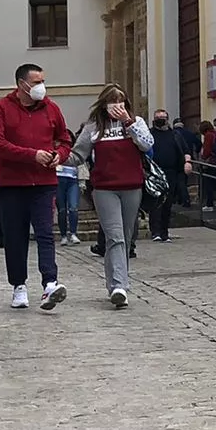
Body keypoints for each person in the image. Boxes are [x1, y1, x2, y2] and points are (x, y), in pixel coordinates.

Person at [0, 63, 73, 312]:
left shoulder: (52, 109)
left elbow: (65, 140)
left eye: (42, 81)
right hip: (11, 184)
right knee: (15, 236)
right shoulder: (1, 108)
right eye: (35, 83)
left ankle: (50, 284)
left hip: (44, 183)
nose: (41, 87)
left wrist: (59, 155)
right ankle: (18, 286)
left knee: (46, 234)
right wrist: (31, 155)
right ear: (21, 84)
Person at [72, 85, 154, 310]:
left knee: (125, 239)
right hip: (105, 189)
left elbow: (147, 144)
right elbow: (78, 154)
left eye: (121, 101)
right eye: (112, 101)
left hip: (132, 187)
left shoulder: (136, 123)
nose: (117, 106)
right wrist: (55, 159)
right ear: (104, 105)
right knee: (115, 236)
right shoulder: (93, 129)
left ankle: (116, 282)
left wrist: (129, 122)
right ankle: (119, 286)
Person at [145, 111, 177, 243]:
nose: (159, 120)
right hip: (154, 173)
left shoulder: (174, 134)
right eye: (157, 118)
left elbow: (183, 149)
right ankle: (155, 231)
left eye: (162, 118)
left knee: (168, 203)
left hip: (171, 172)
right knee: (156, 202)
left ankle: (165, 232)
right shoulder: (149, 134)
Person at [54, 149, 83, 247]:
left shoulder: (73, 152)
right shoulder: (52, 150)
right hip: (58, 180)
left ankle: (73, 233)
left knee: (73, 207)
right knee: (62, 209)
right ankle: (63, 236)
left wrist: (82, 181)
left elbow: (80, 163)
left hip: (72, 180)